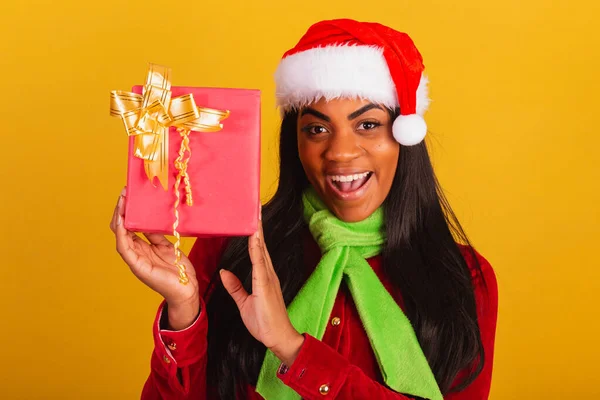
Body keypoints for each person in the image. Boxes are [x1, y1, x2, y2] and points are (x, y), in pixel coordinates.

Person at [110, 18, 498, 400]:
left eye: (367, 125)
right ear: (295, 144)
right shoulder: (233, 248)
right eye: (317, 129)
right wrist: (184, 310)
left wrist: (292, 347)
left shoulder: (466, 278)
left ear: (402, 137)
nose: (341, 152)